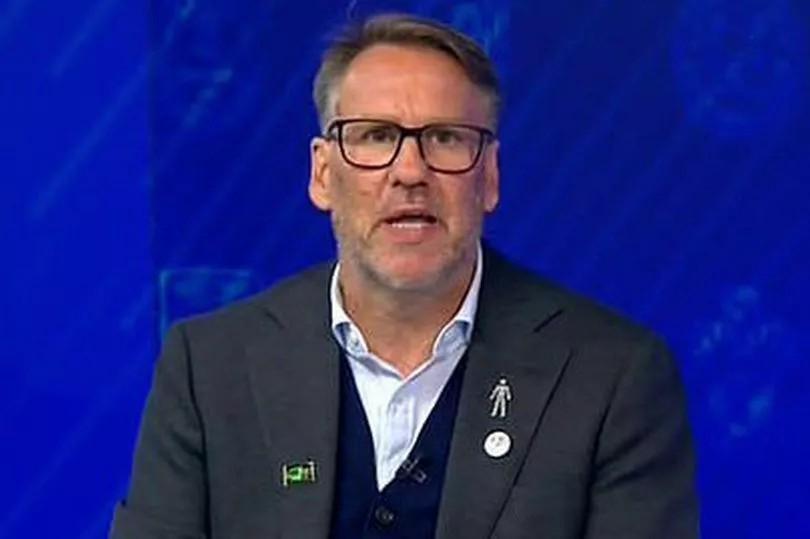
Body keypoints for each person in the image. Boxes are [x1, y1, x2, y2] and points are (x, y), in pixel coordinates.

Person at [110, 13, 698, 539]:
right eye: (376, 137)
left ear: (490, 177)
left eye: (445, 139)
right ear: (323, 174)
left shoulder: (612, 378)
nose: (410, 171)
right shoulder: (210, 368)